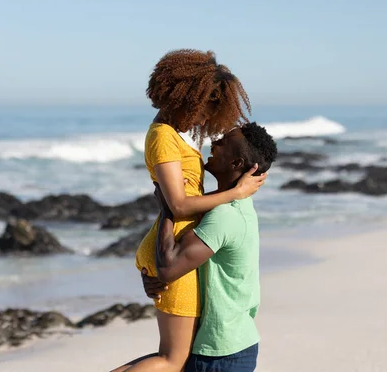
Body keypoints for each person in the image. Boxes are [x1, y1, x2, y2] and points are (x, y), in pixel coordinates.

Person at [111, 51, 266, 372]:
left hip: (178, 248)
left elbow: (179, 203)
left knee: (173, 358)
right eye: (207, 107)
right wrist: (236, 192)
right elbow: (179, 204)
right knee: (172, 359)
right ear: (186, 97)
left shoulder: (170, 134)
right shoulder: (163, 137)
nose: (207, 118)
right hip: (172, 249)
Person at [140, 122, 277, 372]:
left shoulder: (225, 215)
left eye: (223, 142)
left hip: (221, 354)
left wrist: (169, 209)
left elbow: (169, 268)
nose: (214, 143)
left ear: (236, 163)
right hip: (224, 345)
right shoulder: (229, 208)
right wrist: (149, 276)